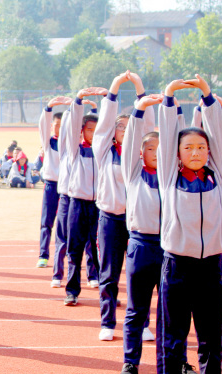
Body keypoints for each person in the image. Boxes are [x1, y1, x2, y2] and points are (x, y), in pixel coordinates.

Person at [155, 75, 222, 374]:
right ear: (177, 154)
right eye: (189, 148)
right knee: (173, 339)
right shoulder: (170, 175)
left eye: (201, 147)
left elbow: (217, 129)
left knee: (211, 339)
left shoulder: (217, 174)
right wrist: (169, 97)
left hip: (211, 267)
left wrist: (207, 96)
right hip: (178, 267)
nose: (197, 151)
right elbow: (168, 134)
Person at [118, 93, 200, 374]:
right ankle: (130, 362)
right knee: (136, 309)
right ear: (141, 153)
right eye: (149, 148)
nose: (155, 152)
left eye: (160, 148)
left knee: (174, 312)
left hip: (171, 247)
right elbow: (129, 144)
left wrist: (175, 109)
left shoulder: (173, 176)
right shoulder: (133, 173)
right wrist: (139, 110)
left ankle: (179, 361)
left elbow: (178, 135)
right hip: (141, 246)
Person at [92, 71, 144, 341]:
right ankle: (108, 321)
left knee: (139, 275)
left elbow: (145, 121)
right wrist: (113, 88)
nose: (124, 130)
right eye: (120, 127)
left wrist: (139, 88)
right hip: (111, 219)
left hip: (137, 223)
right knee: (109, 273)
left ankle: (141, 322)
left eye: (128, 127)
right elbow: (103, 124)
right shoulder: (104, 152)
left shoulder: (141, 156)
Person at [63, 87, 105, 306]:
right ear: (82, 131)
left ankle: (105, 291)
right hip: (77, 204)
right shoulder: (75, 149)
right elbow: (71, 125)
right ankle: (72, 291)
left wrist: (109, 99)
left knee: (101, 250)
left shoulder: (105, 151)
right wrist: (78, 100)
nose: (94, 133)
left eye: (98, 129)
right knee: (75, 248)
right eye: (90, 129)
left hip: (100, 205)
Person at [36, 99, 68, 269]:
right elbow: (43, 124)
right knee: (47, 222)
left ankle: (66, 254)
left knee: (66, 225)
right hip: (50, 185)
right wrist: (49, 107)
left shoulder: (70, 145)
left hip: (66, 189)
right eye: (56, 125)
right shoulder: (48, 143)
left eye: (62, 125)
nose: (59, 128)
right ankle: (43, 255)